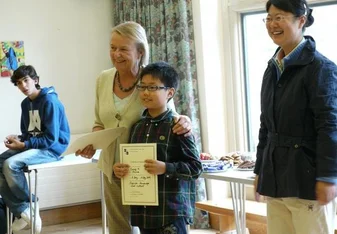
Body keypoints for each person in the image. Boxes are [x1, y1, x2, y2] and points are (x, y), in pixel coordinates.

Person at [75, 21, 192, 234]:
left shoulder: (152, 80)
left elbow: (171, 117)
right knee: (119, 229)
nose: (116, 54)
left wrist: (185, 121)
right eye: (112, 47)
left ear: (140, 52)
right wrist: (92, 143)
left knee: (150, 227)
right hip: (113, 167)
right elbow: (99, 123)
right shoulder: (103, 79)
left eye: (123, 49)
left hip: (145, 170)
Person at [254, 0, 337, 233]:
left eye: (279, 17)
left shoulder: (321, 68)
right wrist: (260, 170)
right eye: (269, 18)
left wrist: (329, 176)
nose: (272, 24)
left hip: (307, 179)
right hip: (275, 179)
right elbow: (265, 126)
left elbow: (330, 126)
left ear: (301, 20)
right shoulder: (272, 68)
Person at [113, 61, 203, 234]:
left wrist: (165, 168)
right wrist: (121, 169)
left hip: (170, 212)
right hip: (143, 212)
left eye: (153, 88)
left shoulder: (178, 125)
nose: (146, 92)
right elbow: (132, 163)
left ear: (170, 92)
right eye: (142, 87)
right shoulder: (137, 126)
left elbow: (195, 168)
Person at [0, 65, 70, 234]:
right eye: (19, 83)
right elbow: (28, 133)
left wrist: (24, 145)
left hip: (51, 149)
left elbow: (50, 139)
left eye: (26, 80)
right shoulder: (25, 104)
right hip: (36, 145)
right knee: (0, 162)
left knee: (10, 164)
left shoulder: (50, 101)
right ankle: (22, 209)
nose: (23, 86)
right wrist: (18, 139)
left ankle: (29, 206)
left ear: (36, 80)